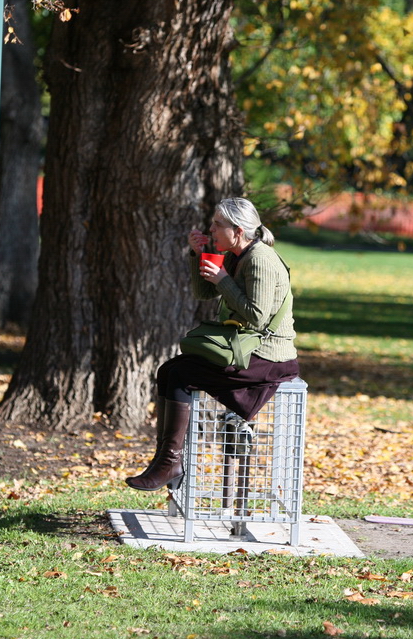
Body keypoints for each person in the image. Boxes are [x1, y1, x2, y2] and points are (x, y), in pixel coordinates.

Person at [126, 197, 299, 492]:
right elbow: (204, 293)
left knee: (181, 375)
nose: (211, 229)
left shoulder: (259, 259)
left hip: (269, 356)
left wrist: (223, 280)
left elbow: (257, 318)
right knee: (169, 370)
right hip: (247, 347)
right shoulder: (236, 254)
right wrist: (200, 254)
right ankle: (165, 462)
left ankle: (170, 463)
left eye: (217, 225)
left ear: (238, 230)